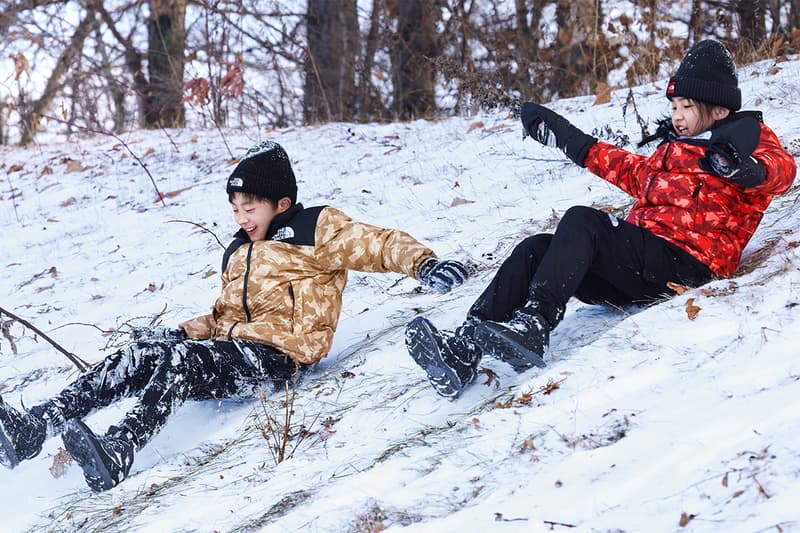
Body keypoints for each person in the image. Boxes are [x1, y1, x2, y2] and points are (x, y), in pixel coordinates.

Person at [0, 141, 469, 491]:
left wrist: (424, 263)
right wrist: (176, 332)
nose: (241, 217)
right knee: (146, 353)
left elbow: (377, 243)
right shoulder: (239, 251)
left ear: (281, 204)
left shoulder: (313, 229)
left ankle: (121, 448)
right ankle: (34, 427)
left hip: (280, 355)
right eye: (235, 209)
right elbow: (222, 314)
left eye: (250, 207)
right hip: (233, 348)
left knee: (181, 364)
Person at [405, 39, 797, 399]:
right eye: (674, 106)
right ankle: (465, 347)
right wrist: (564, 136)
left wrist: (745, 170)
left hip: (687, 265)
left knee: (583, 220)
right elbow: (625, 169)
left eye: (687, 107)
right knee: (535, 249)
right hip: (637, 268)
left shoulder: (748, 142)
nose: (677, 116)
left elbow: (782, 172)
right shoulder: (673, 151)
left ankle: (535, 326)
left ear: (719, 110)